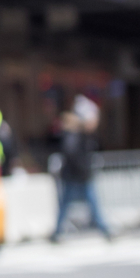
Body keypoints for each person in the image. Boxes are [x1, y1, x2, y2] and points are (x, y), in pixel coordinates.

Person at [49, 95, 111, 241]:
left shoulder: (82, 134)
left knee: (74, 204)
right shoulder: (75, 135)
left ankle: (103, 229)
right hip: (76, 176)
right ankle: (103, 229)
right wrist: (83, 169)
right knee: (73, 204)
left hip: (78, 175)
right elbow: (72, 154)